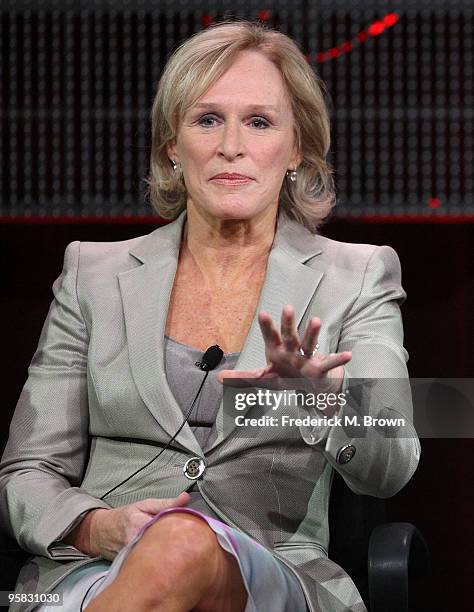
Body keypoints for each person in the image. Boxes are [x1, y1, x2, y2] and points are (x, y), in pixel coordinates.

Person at [0, 19, 420, 612]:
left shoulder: (359, 276)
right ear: (173, 145)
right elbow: (27, 470)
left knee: (180, 543)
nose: (231, 146)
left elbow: (392, 465)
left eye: (259, 121)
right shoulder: (92, 275)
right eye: (206, 120)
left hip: (268, 576)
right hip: (95, 574)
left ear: (296, 146)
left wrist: (325, 403)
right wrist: (96, 527)